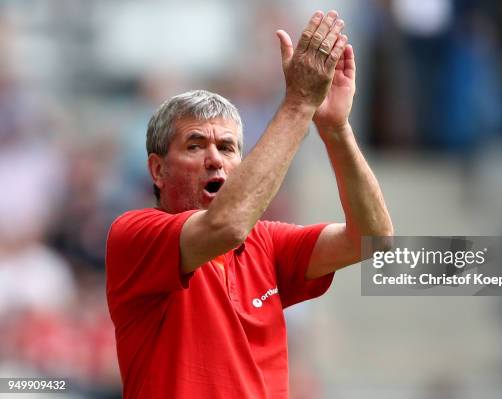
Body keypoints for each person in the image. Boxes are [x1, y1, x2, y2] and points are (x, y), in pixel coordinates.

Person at [106, 10, 393, 399]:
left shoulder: (267, 244)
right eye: (195, 145)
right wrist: (297, 105)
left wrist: (335, 129)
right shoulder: (135, 234)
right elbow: (227, 226)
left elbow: (372, 238)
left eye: (227, 148)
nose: (215, 159)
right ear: (157, 170)